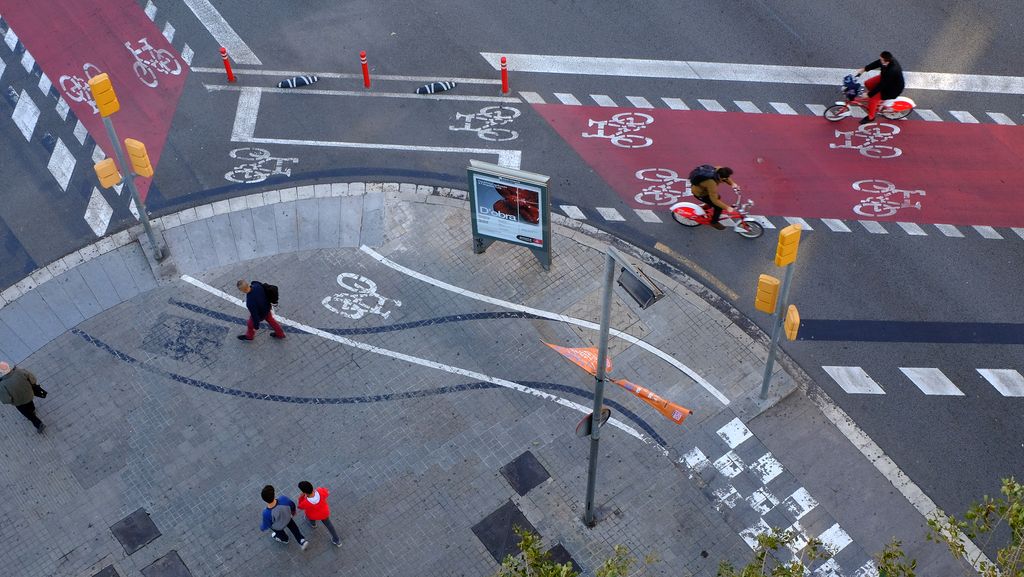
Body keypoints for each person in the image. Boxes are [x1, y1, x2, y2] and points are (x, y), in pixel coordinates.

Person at [855, 51, 905, 125]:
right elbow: (877, 63)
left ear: (886, 61)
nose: (880, 60)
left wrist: (870, 94)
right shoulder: (886, 61)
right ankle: (876, 99)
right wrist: (864, 69)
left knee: (872, 99)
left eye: (881, 59)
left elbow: (882, 85)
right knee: (867, 83)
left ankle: (871, 117)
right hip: (886, 79)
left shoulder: (892, 70)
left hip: (892, 89)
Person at [0, 361, 46, 434]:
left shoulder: (2, 385)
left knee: (28, 414)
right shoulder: (19, 371)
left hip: (19, 402)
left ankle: (38, 424)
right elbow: (33, 379)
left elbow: (6, 400)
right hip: (29, 394)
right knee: (30, 403)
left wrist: (12, 401)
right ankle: (33, 410)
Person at [260, 485, 309, 549]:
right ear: (274, 494)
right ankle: (301, 540)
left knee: (278, 532)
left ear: (264, 500)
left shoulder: (266, 513)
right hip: (288, 518)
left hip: (278, 526)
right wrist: (293, 513)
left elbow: (267, 524)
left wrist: (262, 528)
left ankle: (285, 539)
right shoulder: (283, 499)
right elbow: (292, 505)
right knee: (294, 528)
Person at [297, 481, 342, 547]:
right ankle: (337, 540)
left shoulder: (305, 502)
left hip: (313, 516)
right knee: (330, 526)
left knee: (308, 517)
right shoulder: (320, 491)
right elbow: (327, 492)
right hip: (324, 513)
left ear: (304, 492)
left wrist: (301, 497)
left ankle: (313, 525)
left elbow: (300, 507)